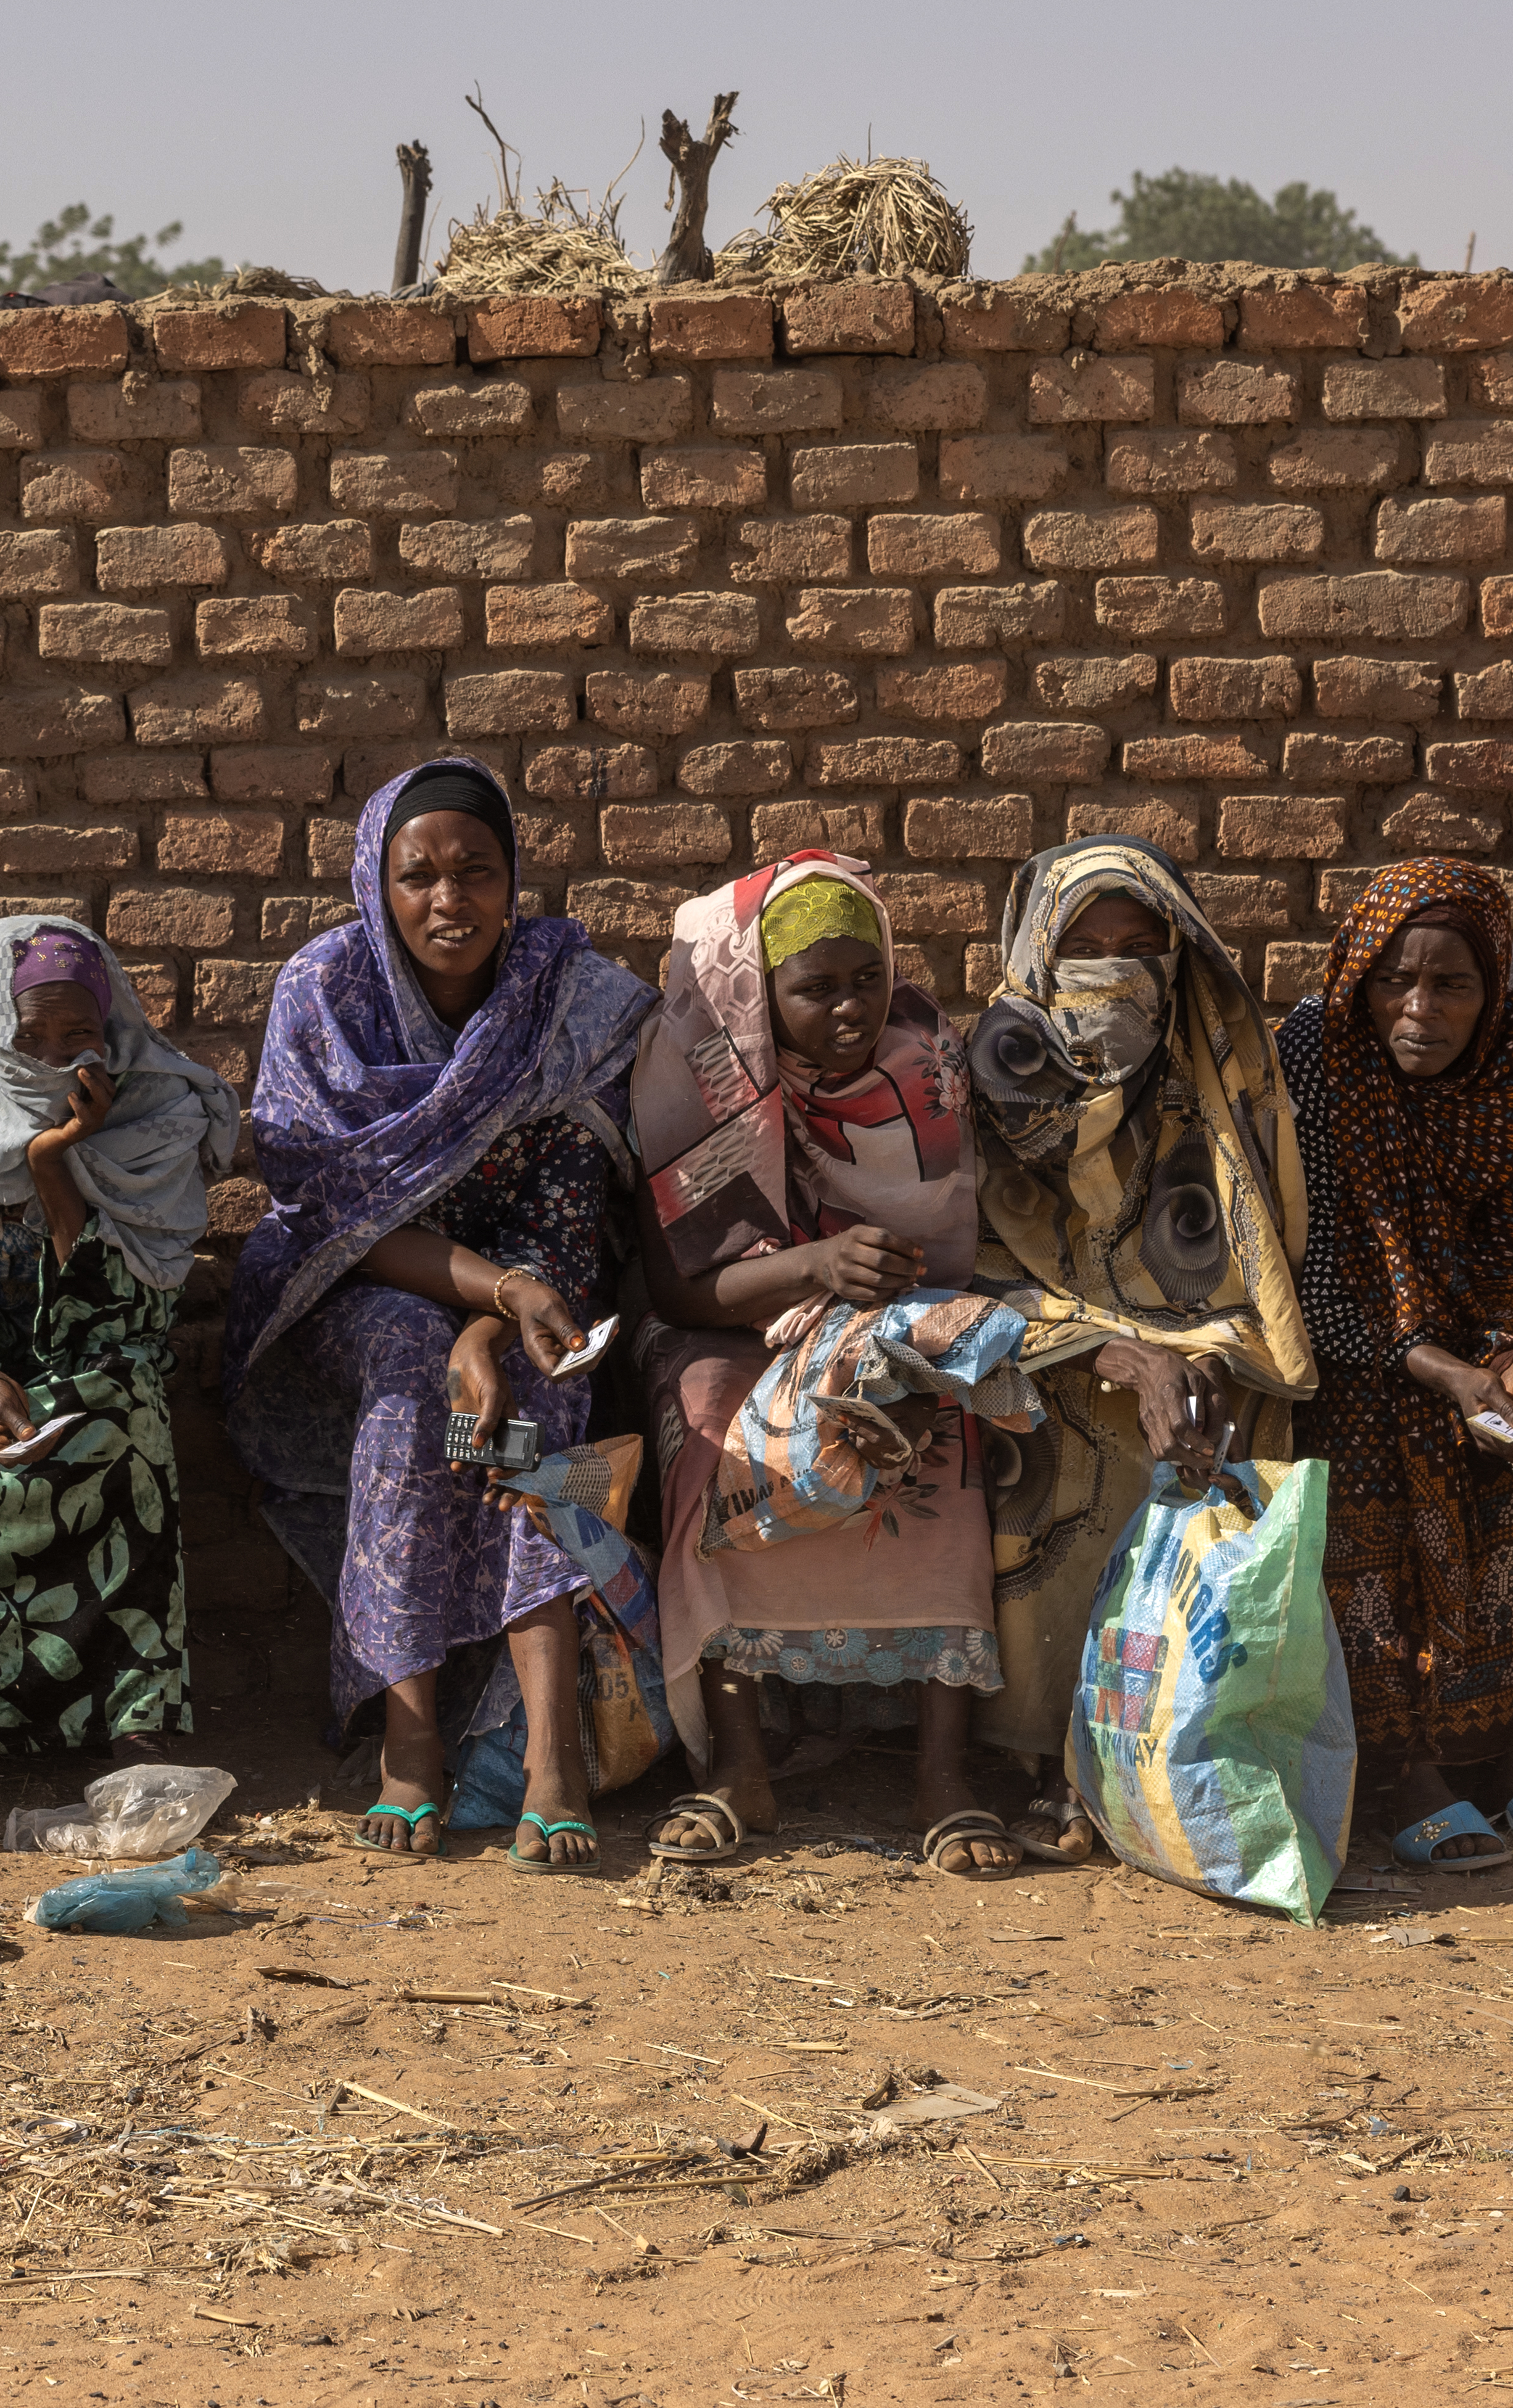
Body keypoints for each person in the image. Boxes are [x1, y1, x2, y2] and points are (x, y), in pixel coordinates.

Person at [223, 759, 655, 1868]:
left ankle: (553, 1752)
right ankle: (407, 1736)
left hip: (528, 1293)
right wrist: (487, 1299)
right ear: (377, 883)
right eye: (417, 876)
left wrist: (498, 1323)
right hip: (345, 1289)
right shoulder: (324, 994)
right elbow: (334, 1217)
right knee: (414, 1371)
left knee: (535, 1413)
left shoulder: (560, 1004)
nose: (446, 900)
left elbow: (567, 1217)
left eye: (475, 872)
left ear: (514, 881)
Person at [625, 855, 1013, 1875]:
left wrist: (871, 1303)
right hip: (726, 1324)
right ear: (762, 992)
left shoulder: (919, 1075)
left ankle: (941, 1770)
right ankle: (739, 1762)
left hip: (879, 1319)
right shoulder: (707, 1079)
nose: (846, 1008)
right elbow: (674, 1289)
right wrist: (810, 1265)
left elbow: (945, 1249)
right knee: (711, 1430)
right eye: (813, 987)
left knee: (938, 1432)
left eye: (863, 979)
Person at [960, 837, 1316, 1823]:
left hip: (1196, 1339)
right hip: (1038, 1346)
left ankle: (1182, 1744)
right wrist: (1112, 1347)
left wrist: (1194, 1351)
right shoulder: (991, 1074)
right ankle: (1040, 1747)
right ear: (1039, 950)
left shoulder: (1217, 1077)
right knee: (1075, 1431)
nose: (1117, 974)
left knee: (1220, 1423)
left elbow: (1256, 1265)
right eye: (1087, 946)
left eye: (1139, 946)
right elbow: (965, 1276)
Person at [0, 918, 235, 1768]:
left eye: (78, 1036)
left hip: (81, 1370)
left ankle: (134, 1717)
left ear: (111, 1026)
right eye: (29, 1039)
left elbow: (129, 1317)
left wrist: (54, 1162)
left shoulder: (151, 1105)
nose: (55, 1060)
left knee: (126, 1406)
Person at [1278, 861, 1513, 1869]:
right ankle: (1401, 1772)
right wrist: (1445, 1375)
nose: (1418, 1009)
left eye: (1449, 984)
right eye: (1392, 981)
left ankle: (1498, 1756)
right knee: (1370, 1531)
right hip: (1349, 1349)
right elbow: (1318, 1266)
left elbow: (1511, 1237)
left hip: (1467, 1341)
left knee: (1507, 1508)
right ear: (1357, 980)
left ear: (1489, 987)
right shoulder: (1314, 1054)